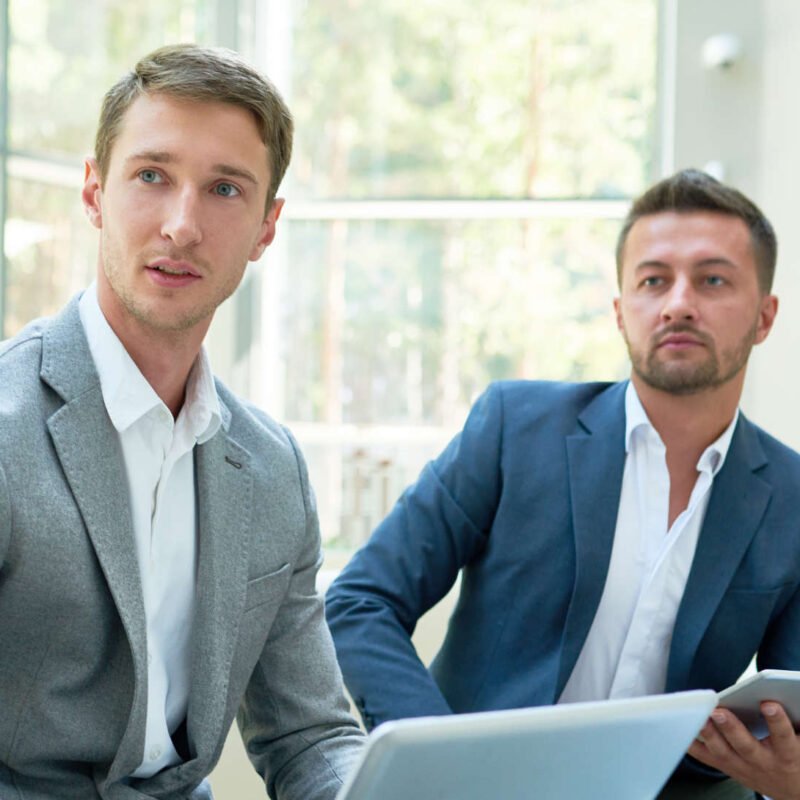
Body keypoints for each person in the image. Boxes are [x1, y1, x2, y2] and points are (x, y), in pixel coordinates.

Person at [325, 168, 800, 800]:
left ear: (765, 317)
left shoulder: (792, 497)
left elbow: (789, 704)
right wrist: (443, 759)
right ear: (620, 311)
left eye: (712, 280)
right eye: (653, 280)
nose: (678, 302)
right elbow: (361, 601)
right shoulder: (513, 429)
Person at [0, 44, 363, 800]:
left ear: (267, 227)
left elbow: (312, 735)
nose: (182, 225)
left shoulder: (271, 467)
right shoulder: (7, 428)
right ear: (95, 192)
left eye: (225, 189)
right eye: (152, 176)